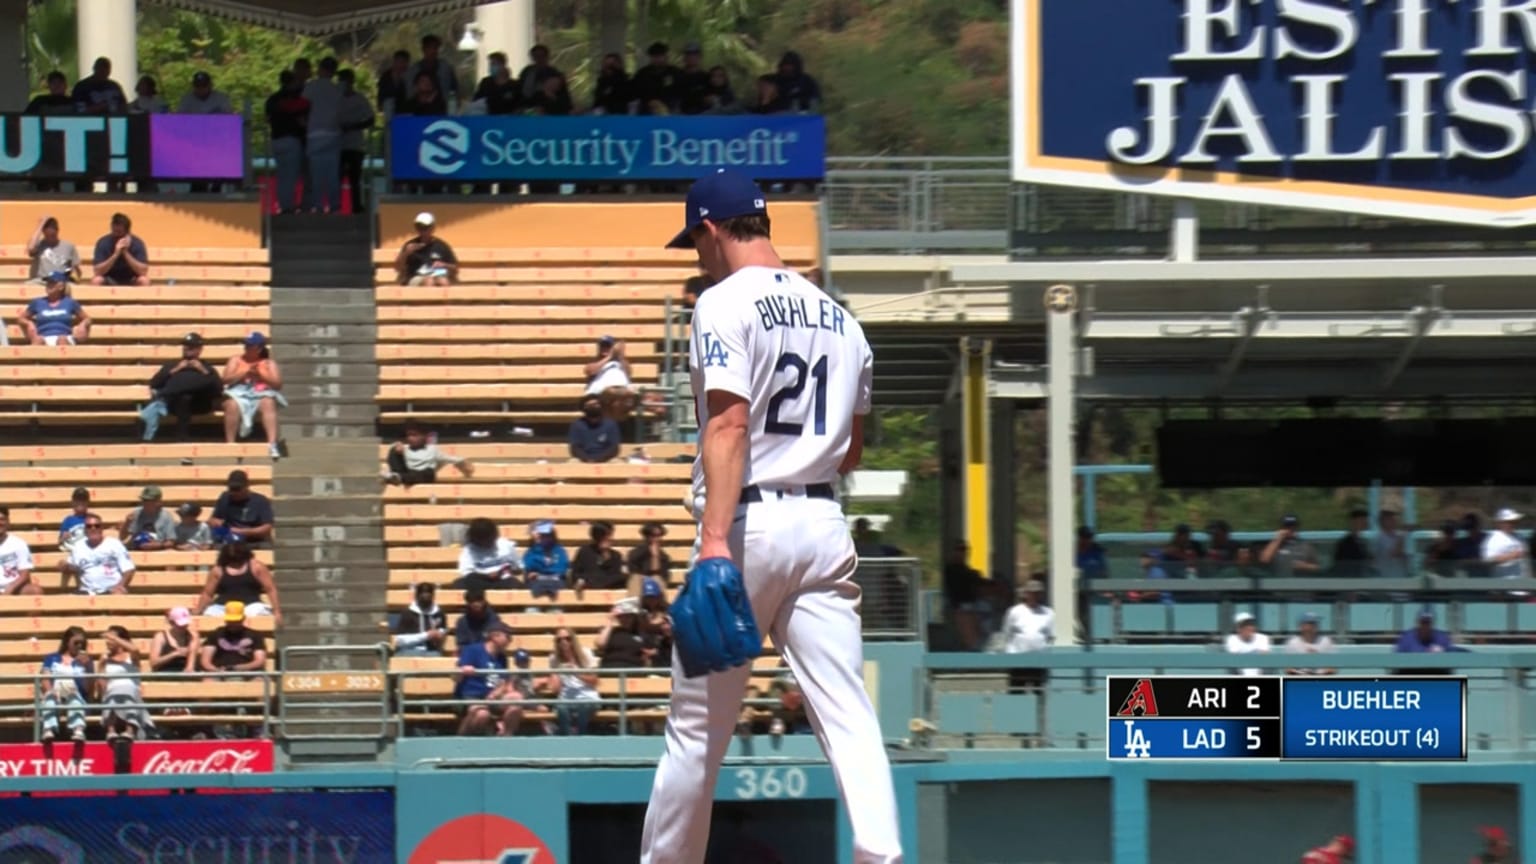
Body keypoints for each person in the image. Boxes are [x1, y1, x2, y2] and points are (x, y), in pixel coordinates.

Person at [640, 171, 902, 863]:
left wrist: (715, 541)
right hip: (822, 525)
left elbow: (728, 426)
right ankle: (884, 855)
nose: (695, 254)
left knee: (697, 732)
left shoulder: (721, 302)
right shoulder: (841, 316)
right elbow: (849, 452)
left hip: (750, 526)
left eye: (694, 239)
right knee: (848, 716)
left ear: (711, 228)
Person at [142, 332, 224, 442]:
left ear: (199, 349)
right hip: (175, 404)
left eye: (191, 346)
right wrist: (175, 370)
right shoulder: (172, 364)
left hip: (200, 403)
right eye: (185, 346)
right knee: (184, 398)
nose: (187, 348)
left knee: (187, 397)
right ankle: (182, 438)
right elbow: (155, 383)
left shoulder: (206, 366)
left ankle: (183, 437)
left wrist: (203, 371)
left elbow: (218, 388)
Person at [220, 332, 287, 459]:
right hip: (238, 392)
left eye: (250, 346)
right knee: (232, 405)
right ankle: (230, 444)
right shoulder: (236, 360)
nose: (246, 348)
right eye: (245, 345)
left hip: (260, 393)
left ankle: (272, 443)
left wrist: (261, 376)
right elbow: (225, 379)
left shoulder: (268, 363)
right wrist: (244, 372)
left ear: (259, 348)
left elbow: (277, 384)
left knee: (268, 402)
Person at [453, 620, 522, 736]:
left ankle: (506, 737)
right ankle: (462, 739)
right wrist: (463, 671)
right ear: (495, 636)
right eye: (508, 636)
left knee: (517, 699)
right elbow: (455, 676)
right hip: (473, 696)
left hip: (493, 699)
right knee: (482, 714)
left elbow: (503, 681)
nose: (510, 640)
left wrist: (497, 692)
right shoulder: (473, 650)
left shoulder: (502, 658)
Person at [194, 541, 280, 623]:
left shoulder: (257, 567)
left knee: (259, 613)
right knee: (209, 614)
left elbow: (271, 589)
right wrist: (197, 611)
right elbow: (208, 594)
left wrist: (277, 611)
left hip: (250, 606)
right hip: (223, 607)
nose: (235, 563)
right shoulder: (217, 570)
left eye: (238, 560)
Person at [539, 627, 601, 735]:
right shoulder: (554, 658)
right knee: (561, 708)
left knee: (583, 708)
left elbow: (594, 681)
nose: (564, 642)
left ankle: (580, 737)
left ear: (573, 639)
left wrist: (576, 673)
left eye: (567, 638)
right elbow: (556, 689)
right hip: (566, 698)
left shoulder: (585, 653)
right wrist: (556, 675)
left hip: (587, 697)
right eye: (559, 640)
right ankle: (568, 739)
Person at [97, 625, 153, 741]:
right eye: (108, 639)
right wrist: (101, 666)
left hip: (130, 690)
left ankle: (130, 730)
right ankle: (111, 731)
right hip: (112, 691)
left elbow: (135, 650)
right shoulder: (105, 658)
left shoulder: (131, 658)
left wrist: (116, 639)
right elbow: (102, 685)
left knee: (128, 690)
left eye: (111, 639)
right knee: (111, 692)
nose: (108, 641)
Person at [39, 626, 92, 743]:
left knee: (75, 699)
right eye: (76, 643)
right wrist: (49, 690)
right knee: (50, 698)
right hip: (56, 690)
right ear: (67, 642)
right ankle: (48, 729)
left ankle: (78, 730)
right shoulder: (52, 658)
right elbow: (45, 676)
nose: (79, 646)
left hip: (74, 691)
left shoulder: (86, 661)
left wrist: (87, 667)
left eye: (82, 644)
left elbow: (88, 689)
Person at [62, 513, 135, 594]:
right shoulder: (78, 547)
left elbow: (129, 569)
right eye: (89, 526)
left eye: (97, 526)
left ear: (101, 529)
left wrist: (120, 586)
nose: (93, 528)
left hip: (110, 590)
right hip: (86, 591)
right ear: (85, 530)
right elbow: (72, 567)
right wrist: (64, 566)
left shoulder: (114, 544)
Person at [383, 422, 472, 486]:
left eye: (414, 435)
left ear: (424, 436)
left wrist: (465, 468)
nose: (410, 438)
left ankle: (395, 478)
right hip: (406, 473)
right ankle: (395, 477)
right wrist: (397, 449)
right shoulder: (405, 449)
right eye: (409, 435)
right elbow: (395, 455)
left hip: (423, 476)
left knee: (429, 473)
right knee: (394, 448)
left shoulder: (432, 450)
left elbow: (454, 459)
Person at [18, 272, 91, 345]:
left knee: (62, 339)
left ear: (61, 286)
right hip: (44, 337)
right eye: (48, 283)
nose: (48, 285)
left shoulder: (70, 302)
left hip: (64, 336)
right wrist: (28, 323)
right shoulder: (37, 302)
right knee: (37, 340)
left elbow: (87, 318)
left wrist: (83, 324)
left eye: (52, 283)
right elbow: (21, 318)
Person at [456, 517, 522, 591]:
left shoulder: (505, 545)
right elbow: (466, 572)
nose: (486, 543)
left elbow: (518, 566)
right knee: (462, 583)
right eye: (482, 540)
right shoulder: (469, 550)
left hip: (502, 580)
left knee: (513, 583)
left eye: (488, 539)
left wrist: (506, 570)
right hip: (480, 580)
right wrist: (486, 576)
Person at [395, 212, 457, 286]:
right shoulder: (410, 245)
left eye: (425, 228)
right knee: (429, 280)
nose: (422, 231)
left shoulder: (441, 246)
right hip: (416, 277)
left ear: (432, 228)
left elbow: (454, 268)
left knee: (443, 281)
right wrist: (406, 253)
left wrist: (444, 265)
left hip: (437, 274)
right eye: (419, 227)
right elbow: (398, 268)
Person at [90, 212, 151, 287]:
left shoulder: (137, 243)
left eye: (119, 233)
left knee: (144, 280)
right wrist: (115, 255)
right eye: (114, 232)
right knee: (96, 280)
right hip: (109, 278)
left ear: (127, 233)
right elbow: (97, 271)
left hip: (131, 278)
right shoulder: (103, 243)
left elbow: (143, 271)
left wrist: (125, 253)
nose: (116, 237)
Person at [393, 582, 448, 655]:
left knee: (436, 657)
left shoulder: (438, 613)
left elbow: (442, 631)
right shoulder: (408, 613)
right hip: (409, 650)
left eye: (429, 594)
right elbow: (400, 640)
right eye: (423, 593)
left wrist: (439, 635)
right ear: (417, 596)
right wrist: (426, 636)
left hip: (431, 651)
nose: (426, 596)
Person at [119, 485, 177, 551]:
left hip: (158, 552)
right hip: (137, 550)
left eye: (149, 500)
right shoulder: (136, 514)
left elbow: (171, 542)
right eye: (144, 500)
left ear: (158, 502)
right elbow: (122, 538)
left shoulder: (166, 516)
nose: (145, 503)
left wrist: (158, 545)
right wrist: (127, 523)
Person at [0, 506, 41, 596]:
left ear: (8, 522)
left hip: (14, 589)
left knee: (34, 591)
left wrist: (11, 587)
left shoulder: (18, 544)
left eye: (2, 519)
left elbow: (25, 574)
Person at [26, 217, 81, 282]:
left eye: (53, 235)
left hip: (61, 282)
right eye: (48, 235)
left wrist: (74, 278)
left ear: (57, 231)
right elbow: (30, 248)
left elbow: (76, 269)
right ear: (43, 232)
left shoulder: (68, 246)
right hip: (41, 281)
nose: (50, 238)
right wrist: (40, 225)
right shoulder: (38, 245)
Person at [150, 607, 201, 675]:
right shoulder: (160, 637)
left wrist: (189, 668)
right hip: (165, 672)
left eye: (186, 624)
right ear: (172, 622)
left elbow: (190, 665)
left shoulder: (192, 635)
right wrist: (174, 654)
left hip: (185, 672)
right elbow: (153, 663)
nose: (184, 627)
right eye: (180, 625)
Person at [1224, 611, 1271, 676]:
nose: (1249, 627)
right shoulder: (1232, 639)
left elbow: (1264, 658)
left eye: (1251, 624)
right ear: (1238, 628)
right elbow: (1235, 660)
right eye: (1245, 625)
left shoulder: (1262, 638)